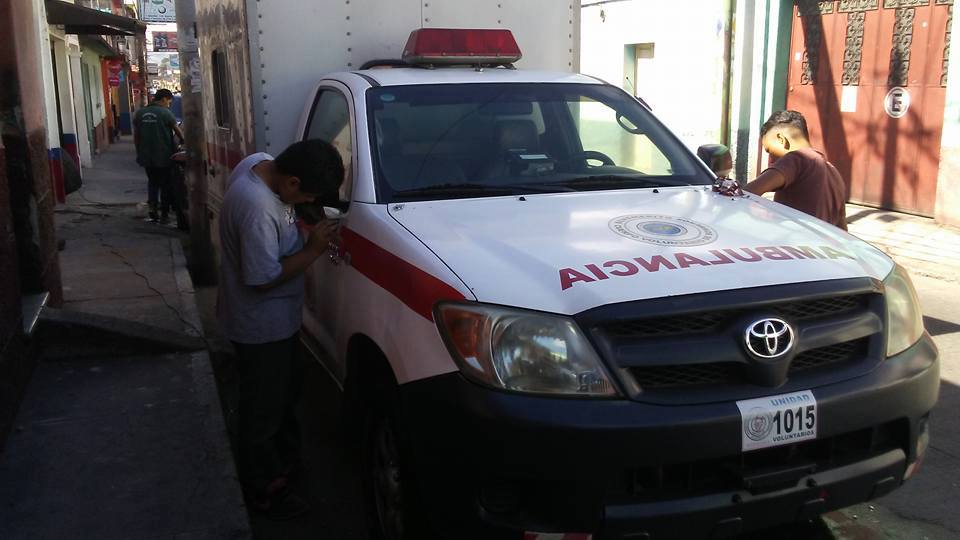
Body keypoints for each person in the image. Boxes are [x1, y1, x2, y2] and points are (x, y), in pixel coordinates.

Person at [217, 139, 344, 519]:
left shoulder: (260, 163)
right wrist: (313, 249)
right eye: (306, 195)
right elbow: (261, 278)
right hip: (261, 328)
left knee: (283, 397)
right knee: (263, 413)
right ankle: (264, 489)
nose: (307, 202)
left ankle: (284, 464)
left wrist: (305, 212)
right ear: (291, 182)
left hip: (277, 322)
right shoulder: (257, 208)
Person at [745, 110, 848, 230]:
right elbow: (842, 230)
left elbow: (748, 192)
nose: (771, 159)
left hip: (792, 239)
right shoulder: (835, 174)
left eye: (769, 151)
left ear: (781, 140)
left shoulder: (797, 159)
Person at [133, 88, 184, 223]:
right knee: (165, 184)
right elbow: (178, 131)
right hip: (164, 155)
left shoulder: (140, 113)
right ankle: (165, 214)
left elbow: (136, 136)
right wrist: (184, 141)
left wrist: (139, 152)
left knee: (152, 182)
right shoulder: (165, 113)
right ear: (164, 99)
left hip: (147, 156)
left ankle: (153, 210)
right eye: (169, 102)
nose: (169, 105)